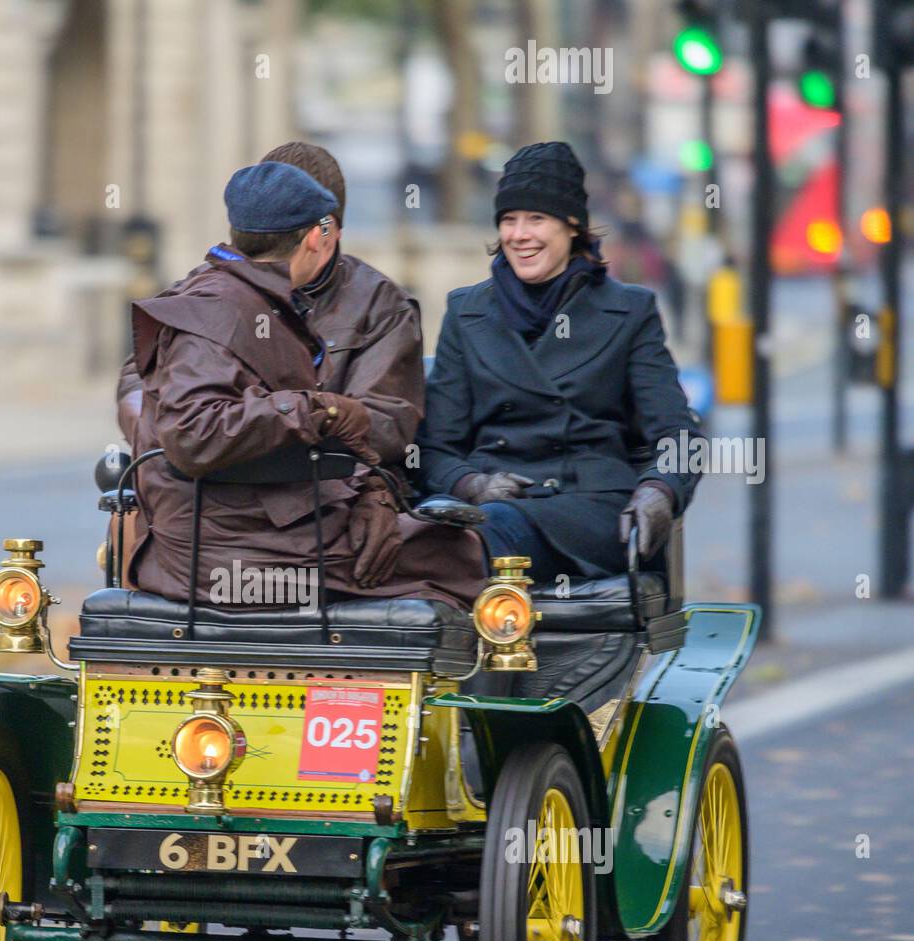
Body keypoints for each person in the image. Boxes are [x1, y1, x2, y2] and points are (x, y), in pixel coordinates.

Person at [124, 161, 484, 609]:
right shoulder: (219, 304)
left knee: (430, 544)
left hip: (239, 535)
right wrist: (317, 410)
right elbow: (192, 434)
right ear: (319, 235)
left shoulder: (234, 295)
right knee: (458, 552)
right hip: (224, 558)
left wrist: (371, 491)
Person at [417, 141, 700, 581]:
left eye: (536, 218)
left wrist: (658, 491)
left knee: (484, 537)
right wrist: (472, 485)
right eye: (509, 220)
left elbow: (678, 434)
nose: (519, 234)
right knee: (442, 534)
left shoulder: (629, 311)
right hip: (495, 504)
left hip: (595, 512)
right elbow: (434, 445)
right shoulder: (466, 311)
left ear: (572, 227)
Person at [118, 142, 425, 471]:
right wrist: (158, 438)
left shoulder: (380, 304)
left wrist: (297, 423)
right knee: (130, 514)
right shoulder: (204, 293)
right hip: (207, 486)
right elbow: (139, 380)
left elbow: (386, 424)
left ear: (327, 231)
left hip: (329, 492)